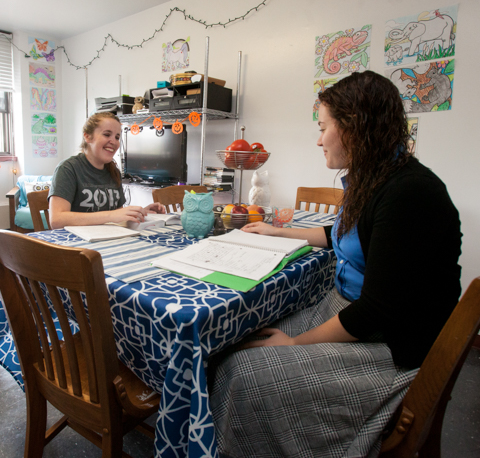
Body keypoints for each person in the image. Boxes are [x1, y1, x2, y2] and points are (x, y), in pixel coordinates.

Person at [208, 71, 462, 457]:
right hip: (352, 313)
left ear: (354, 127)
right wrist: (280, 233)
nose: (318, 138)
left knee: (242, 371)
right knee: (237, 344)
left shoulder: (410, 192)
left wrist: (294, 344)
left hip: (391, 345)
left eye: (324, 127)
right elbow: (345, 234)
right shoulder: (376, 177)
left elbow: (375, 311)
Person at [49, 112, 165, 229]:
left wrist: (140, 213)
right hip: (76, 244)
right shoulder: (68, 169)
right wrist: (111, 215)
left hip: (106, 240)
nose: (113, 141)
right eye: (106, 134)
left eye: (117, 137)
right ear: (87, 136)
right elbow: (57, 220)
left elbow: (117, 216)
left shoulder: (113, 171)